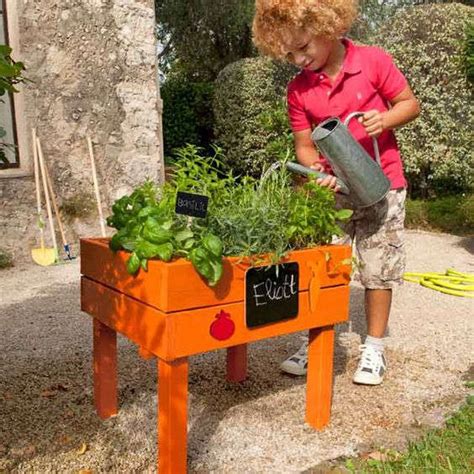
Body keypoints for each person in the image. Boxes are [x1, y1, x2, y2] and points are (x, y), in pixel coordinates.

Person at [252, 0, 420, 385]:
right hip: (337, 191)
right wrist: (315, 173)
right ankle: (317, 343)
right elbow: (306, 146)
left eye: (304, 46)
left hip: (383, 185)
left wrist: (385, 119)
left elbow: (410, 104)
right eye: (289, 53)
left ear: (327, 27)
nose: (298, 58)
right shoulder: (298, 90)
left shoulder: (373, 61)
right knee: (327, 266)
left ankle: (374, 349)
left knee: (378, 269)